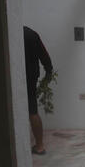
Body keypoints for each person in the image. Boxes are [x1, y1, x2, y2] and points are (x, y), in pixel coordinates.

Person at [24, 26, 53, 155]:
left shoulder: (8, 33)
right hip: (30, 78)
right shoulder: (31, 34)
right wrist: (48, 73)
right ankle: (39, 145)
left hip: (12, 78)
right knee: (32, 110)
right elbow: (44, 55)